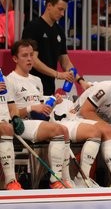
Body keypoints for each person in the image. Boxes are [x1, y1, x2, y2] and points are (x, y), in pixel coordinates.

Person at [5, 40, 74, 189]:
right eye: (25, 55)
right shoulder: (9, 80)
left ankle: (64, 178)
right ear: (15, 59)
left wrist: (53, 102)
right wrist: (31, 108)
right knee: (58, 130)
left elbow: (42, 107)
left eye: (31, 55)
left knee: (65, 131)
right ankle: (55, 180)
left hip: (38, 122)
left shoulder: (37, 80)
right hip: (21, 124)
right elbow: (10, 112)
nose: (30, 59)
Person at [21, 0, 88, 96]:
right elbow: (33, 59)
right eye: (60, 9)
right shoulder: (33, 27)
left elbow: (65, 62)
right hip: (31, 87)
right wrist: (58, 74)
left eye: (64, 10)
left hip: (49, 87)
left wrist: (81, 81)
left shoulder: (59, 31)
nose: (62, 14)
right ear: (49, 5)